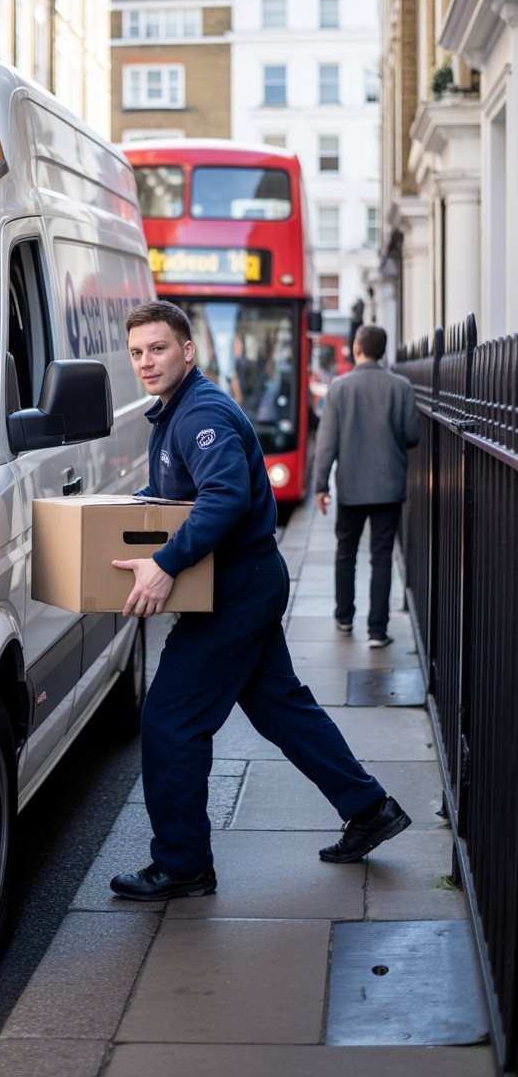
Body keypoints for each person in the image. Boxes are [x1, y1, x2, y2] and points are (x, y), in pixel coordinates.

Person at [108, 301, 410, 902]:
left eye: (158, 348)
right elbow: (182, 492)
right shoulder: (174, 413)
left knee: (170, 721)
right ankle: (369, 808)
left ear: (187, 351)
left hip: (234, 589)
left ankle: (183, 863)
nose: (146, 361)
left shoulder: (203, 414)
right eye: (138, 351)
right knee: (279, 708)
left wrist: (166, 564)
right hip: (243, 583)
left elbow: (222, 499)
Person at [313, 323, 421, 648]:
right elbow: (413, 436)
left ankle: (344, 617)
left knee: (345, 553)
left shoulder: (339, 388)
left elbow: (326, 443)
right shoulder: (400, 387)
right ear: (383, 350)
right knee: (382, 556)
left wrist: (321, 485)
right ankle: (377, 631)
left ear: (357, 348)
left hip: (351, 488)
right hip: (388, 487)